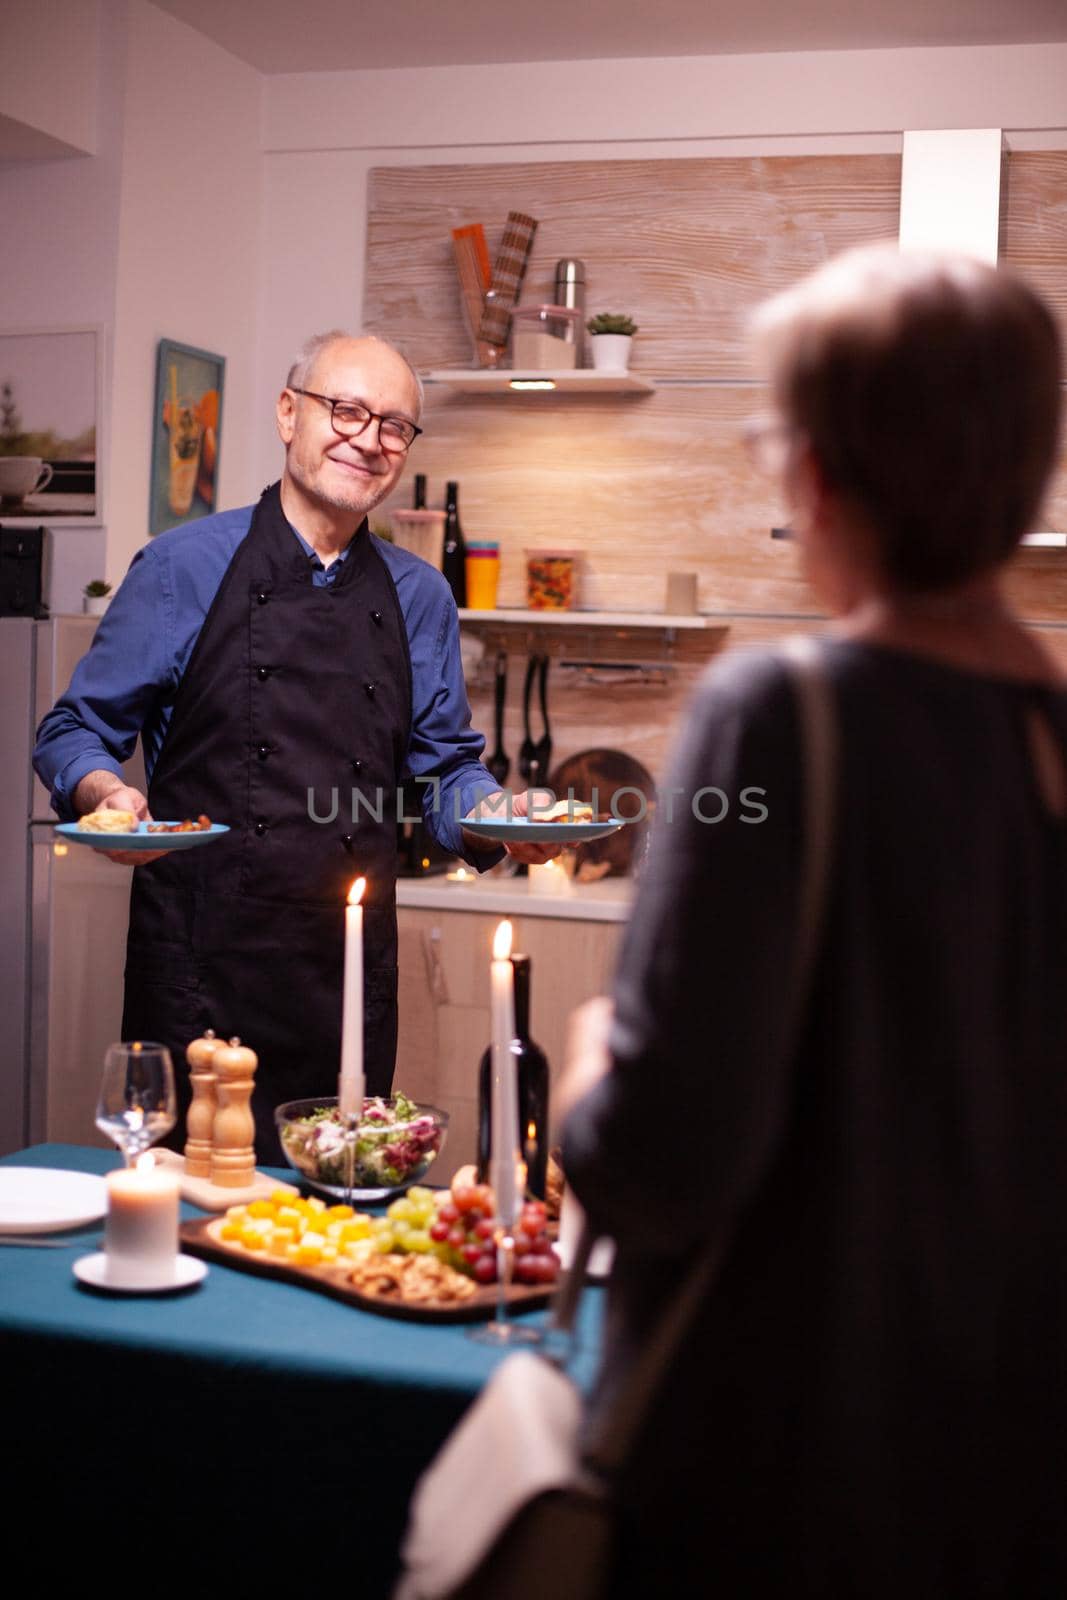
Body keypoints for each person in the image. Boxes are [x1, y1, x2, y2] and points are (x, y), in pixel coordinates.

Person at [559, 248, 1066, 1597]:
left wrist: (592, 1058)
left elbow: (663, 1160)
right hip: (1009, 1481)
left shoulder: (782, 713)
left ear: (822, 476)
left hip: (782, 1480)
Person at [35, 331, 553, 1159]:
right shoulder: (181, 566)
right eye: (345, 409)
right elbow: (74, 731)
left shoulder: (419, 595)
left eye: (393, 425)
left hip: (343, 978)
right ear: (288, 413)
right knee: (184, 1222)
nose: (367, 437)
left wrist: (500, 815)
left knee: (329, 1225)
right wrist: (106, 794)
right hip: (198, 970)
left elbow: (446, 771)